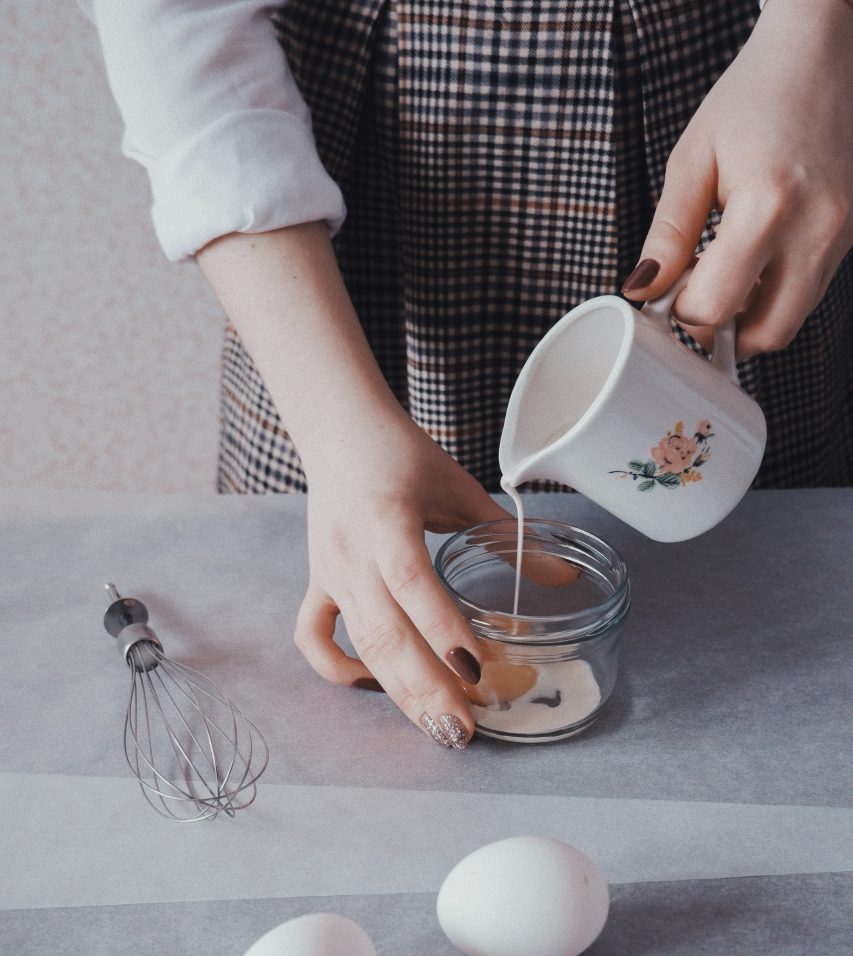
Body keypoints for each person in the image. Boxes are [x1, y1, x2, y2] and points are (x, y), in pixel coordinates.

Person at [83, 0, 852, 749]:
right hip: (335, 211)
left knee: (772, 580)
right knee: (352, 535)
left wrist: (814, 32)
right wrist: (333, 425)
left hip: (742, 91)